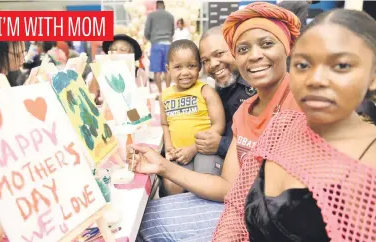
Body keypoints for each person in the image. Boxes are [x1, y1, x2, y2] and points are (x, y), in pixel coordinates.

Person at [129, 3, 301, 241]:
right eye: (243, 49)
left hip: (279, 225)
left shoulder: (304, 102)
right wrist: (161, 166)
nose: (254, 55)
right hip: (240, 209)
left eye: (267, 43)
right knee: (142, 220)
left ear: (287, 47)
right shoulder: (243, 111)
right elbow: (228, 187)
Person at [212, 7, 376, 242]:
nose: (316, 80)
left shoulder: (369, 163)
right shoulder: (281, 126)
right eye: (303, 65)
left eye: (340, 66)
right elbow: (236, 208)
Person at [160, 39, 225, 196]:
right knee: (171, 186)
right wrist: (169, 146)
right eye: (178, 67)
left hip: (204, 151)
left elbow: (219, 126)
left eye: (191, 66)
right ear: (168, 69)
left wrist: (193, 148)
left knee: (205, 182)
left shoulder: (206, 91)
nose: (185, 72)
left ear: (199, 67)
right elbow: (165, 124)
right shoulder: (165, 95)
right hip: (179, 154)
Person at [197, 25, 257, 160]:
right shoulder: (217, 90)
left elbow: (266, 149)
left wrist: (221, 145)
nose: (212, 64)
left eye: (219, 54)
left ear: (235, 49)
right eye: (205, 61)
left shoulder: (258, 89)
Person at [88, 34, 143, 104]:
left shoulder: (139, 73)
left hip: (132, 113)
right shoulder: (100, 70)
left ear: (131, 54)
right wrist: (95, 76)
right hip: (105, 112)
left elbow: (142, 100)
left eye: (123, 50)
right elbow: (89, 99)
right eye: (113, 50)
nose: (117, 53)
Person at [145, 0, 174, 93]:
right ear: (164, 6)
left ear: (156, 6)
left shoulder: (151, 16)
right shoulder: (170, 16)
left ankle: (160, 92)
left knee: (157, 71)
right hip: (168, 45)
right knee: (168, 69)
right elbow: (172, 31)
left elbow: (147, 31)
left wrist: (151, 39)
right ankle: (168, 90)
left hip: (156, 44)